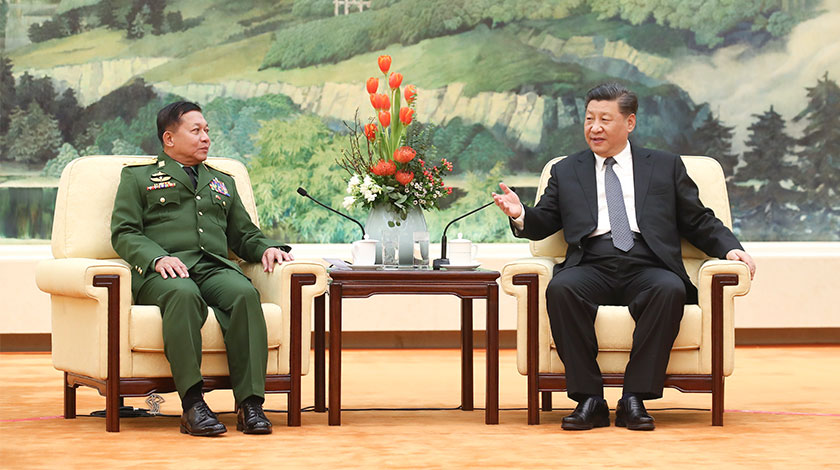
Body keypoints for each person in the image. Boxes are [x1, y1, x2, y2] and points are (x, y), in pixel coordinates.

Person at [492, 83, 756, 431]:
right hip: (592, 262)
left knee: (669, 289)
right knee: (561, 289)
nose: (594, 128)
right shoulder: (567, 170)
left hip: (648, 262)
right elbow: (544, 221)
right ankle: (590, 400)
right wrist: (520, 214)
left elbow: (697, 220)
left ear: (629, 122)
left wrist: (730, 247)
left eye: (605, 119)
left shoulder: (664, 166)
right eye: (589, 119)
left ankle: (634, 398)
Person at [111, 101, 294, 436]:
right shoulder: (138, 178)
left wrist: (267, 248)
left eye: (207, 130)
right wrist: (157, 258)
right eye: (195, 131)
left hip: (213, 267)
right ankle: (193, 404)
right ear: (169, 138)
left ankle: (250, 404)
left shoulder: (222, 181)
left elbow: (243, 234)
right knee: (183, 295)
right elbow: (124, 232)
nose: (206, 137)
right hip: (164, 271)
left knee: (243, 294)